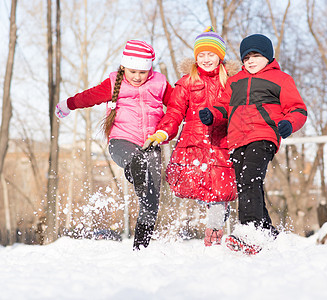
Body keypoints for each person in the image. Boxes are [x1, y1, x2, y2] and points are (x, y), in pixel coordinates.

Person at [55, 40, 173, 250]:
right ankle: (134, 170)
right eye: (133, 71)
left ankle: (140, 249)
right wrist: (68, 104)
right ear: (123, 67)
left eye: (142, 72)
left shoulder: (160, 83)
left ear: (150, 70)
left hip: (151, 144)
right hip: (122, 141)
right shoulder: (113, 83)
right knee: (136, 160)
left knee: (151, 202)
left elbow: (177, 106)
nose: (137, 77)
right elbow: (89, 96)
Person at [199, 34, 307, 254]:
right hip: (237, 139)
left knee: (250, 178)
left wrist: (288, 123)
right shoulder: (235, 81)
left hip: (263, 135)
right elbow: (223, 107)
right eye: (246, 57)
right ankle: (268, 231)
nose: (250, 60)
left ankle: (249, 230)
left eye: (256, 55)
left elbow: (298, 109)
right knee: (246, 184)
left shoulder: (281, 79)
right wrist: (212, 114)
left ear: (268, 57)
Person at [143, 27, 239, 247]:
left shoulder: (230, 83)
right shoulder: (186, 82)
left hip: (220, 144)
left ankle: (214, 233)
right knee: (194, 187)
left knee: (219, 193)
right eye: (201, 55)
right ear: (196, 58)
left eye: (211, 54)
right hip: (192, 144)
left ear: (220, 56)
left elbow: (233, 109)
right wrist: (163, 131)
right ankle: (210, 214)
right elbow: (175, 111)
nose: (206, 59)